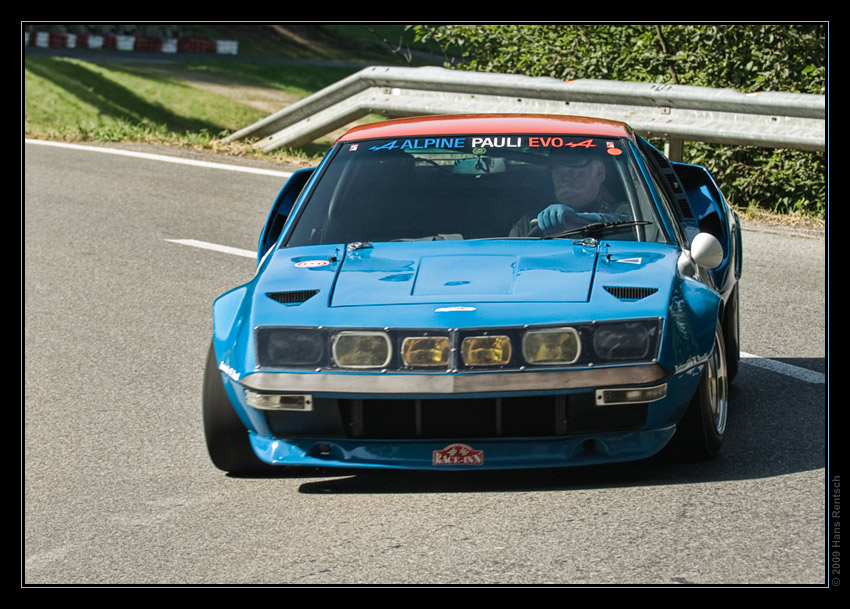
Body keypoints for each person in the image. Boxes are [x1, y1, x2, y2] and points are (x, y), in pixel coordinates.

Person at [510, 150, 627, 237]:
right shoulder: (529, 223)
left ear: (599, 173)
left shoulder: (629, 212)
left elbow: (635, 227)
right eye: (558, 173)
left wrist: (581, 220)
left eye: (574, 172)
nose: (565, 179)